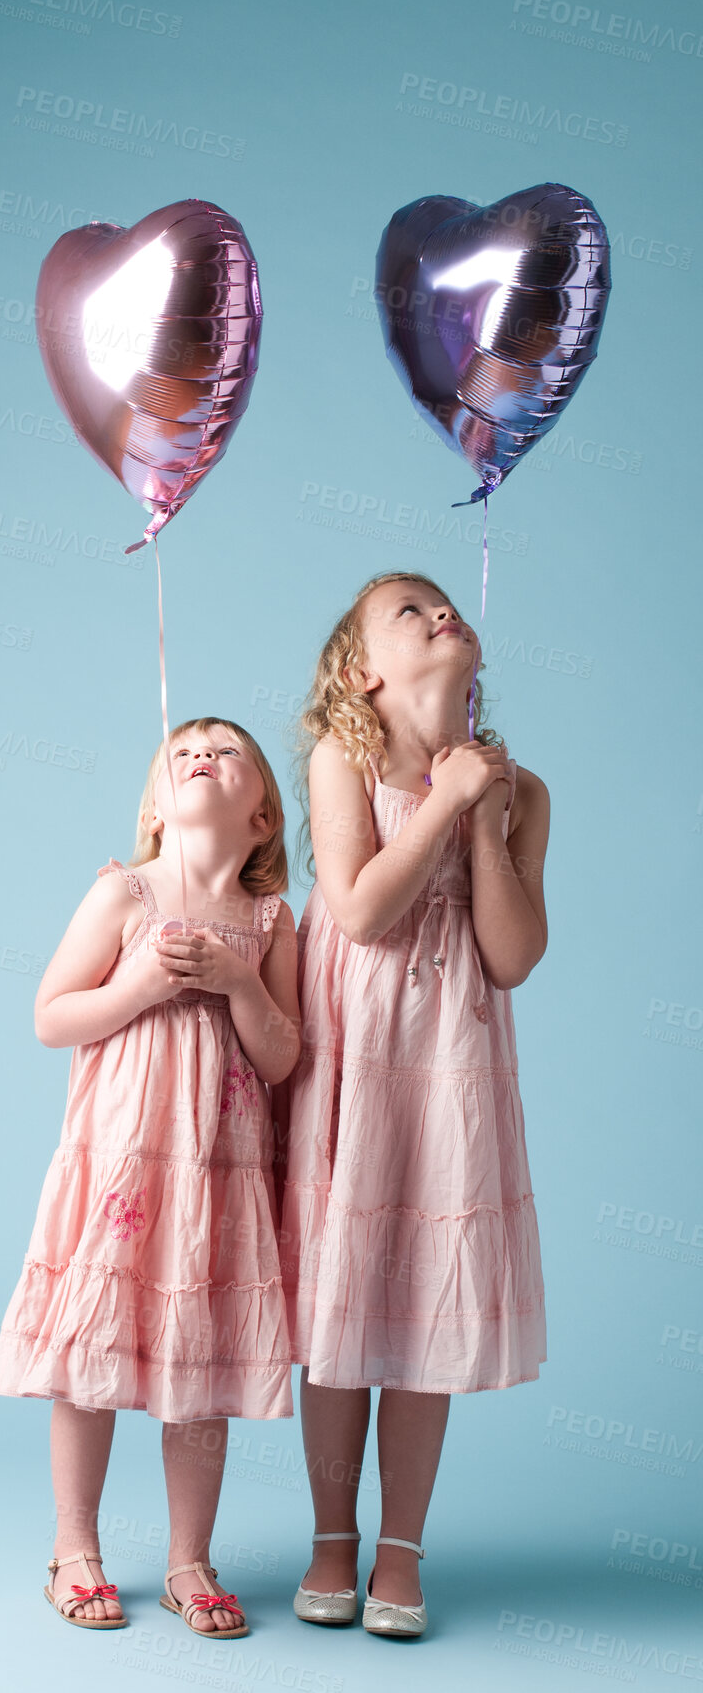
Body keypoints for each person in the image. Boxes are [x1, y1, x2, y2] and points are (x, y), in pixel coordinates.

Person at [0, 718, 301, 1637]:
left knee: (196, 1363)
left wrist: (239, 982)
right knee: (91, 1349)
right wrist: (139, 991)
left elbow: (283, 1056)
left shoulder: (269, 920)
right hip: (124, 1164)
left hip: (218, 1174)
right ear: (157, 809)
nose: (202, 752)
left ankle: (188, 1557)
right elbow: (52, 1014)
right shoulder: (123, 894)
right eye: (185, 748)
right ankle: (74, 1546)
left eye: (227, 749)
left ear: (263, 813)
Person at [279, 572, 549, 1638]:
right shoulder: (344, 760)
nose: (439, 610)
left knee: (425, 1305)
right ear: (364, 672)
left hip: (450, 1069)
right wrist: (438, 797)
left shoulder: (524, 793)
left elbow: (513, 954)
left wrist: (481, 812)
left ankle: (401, 1547)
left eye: (445, 601)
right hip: (358, 1058)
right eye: (408, 609)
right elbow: (357, 908)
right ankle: (332, 1538)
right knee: (348, 1304)